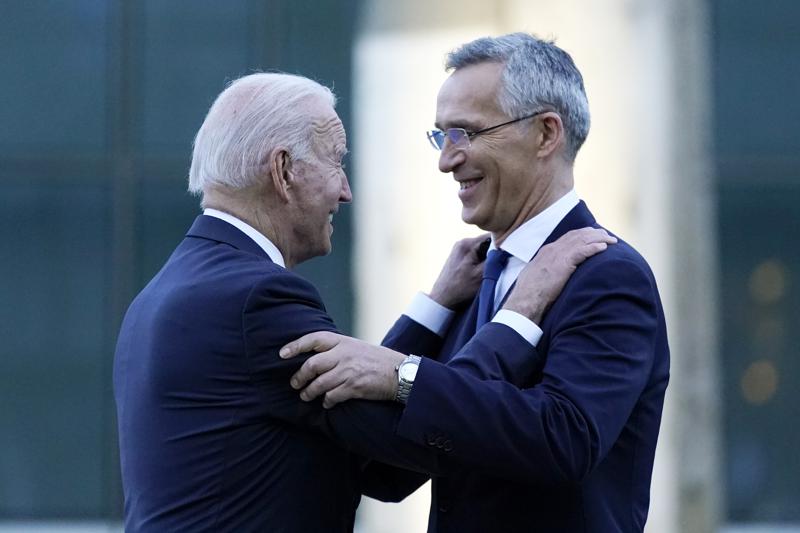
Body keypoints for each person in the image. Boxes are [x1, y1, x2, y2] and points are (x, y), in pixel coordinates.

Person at [112, 72, 614, 532]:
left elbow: (369, 455)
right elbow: (412, 442)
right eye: (336, 160)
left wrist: (434, 308)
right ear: (284, 171)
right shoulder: (255, 300)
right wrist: (517, 313)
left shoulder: (169, 291)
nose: (346, 191)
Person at [282, 33, 670, 532]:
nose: (446, 159)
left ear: (546, 134)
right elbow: (383, 471)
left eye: (466, 132)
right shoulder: (473, 277)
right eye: (441, 136)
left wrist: (403, 374)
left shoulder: (608, 274)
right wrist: (431, 310)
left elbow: (565, 441)